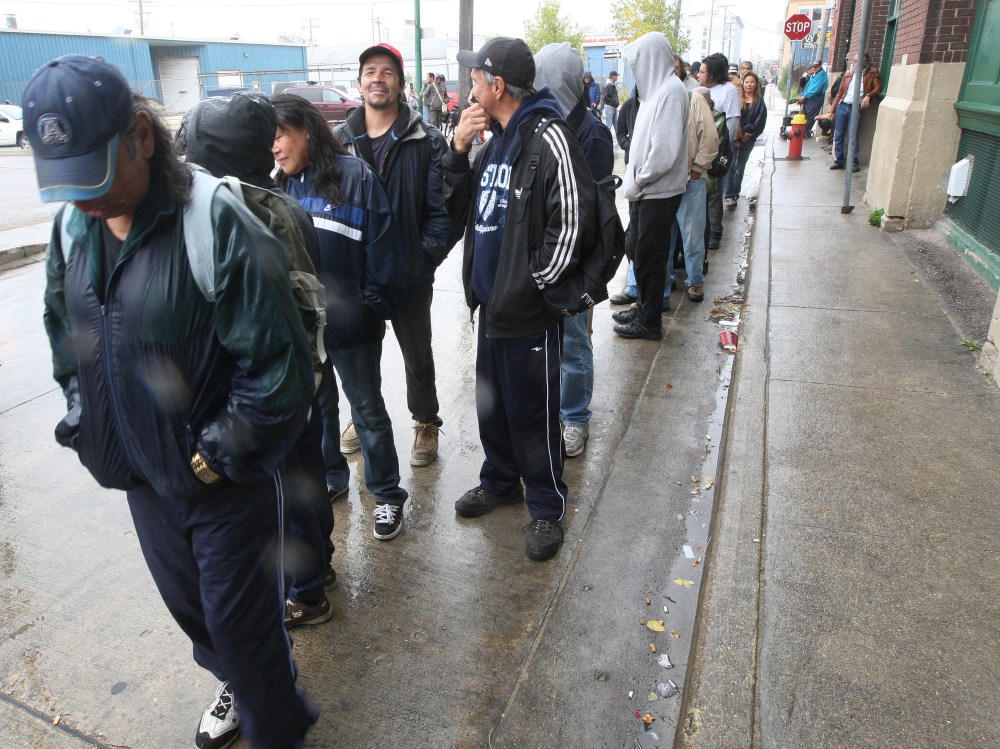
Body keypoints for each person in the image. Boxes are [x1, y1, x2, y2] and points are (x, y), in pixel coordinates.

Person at [29, 55, 316, 749]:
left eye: (94, 175)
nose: (84, 200)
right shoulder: (73, 232)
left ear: (141, 135)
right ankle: (248, 684)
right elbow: (67, 336)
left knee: (242, 627)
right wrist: (85, 422)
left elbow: (280, 366)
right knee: (196, 614)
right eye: (66, 183)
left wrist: (216, 456)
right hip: (140, 474)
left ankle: (277, 723)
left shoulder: (215, 223)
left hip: (222, 482)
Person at [176, 91, 339, 629]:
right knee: (304, 480)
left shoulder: (257, 213)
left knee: (289, 491)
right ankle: (319, 571)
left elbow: (291, 310)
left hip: (274, 388)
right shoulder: (267, 202)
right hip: (293, 383)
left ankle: (308, 592)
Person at [443, 37, 597, 560]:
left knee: (533, 413)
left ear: (498, 85)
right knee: (495, 406)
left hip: (527, 312)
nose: (470, 87)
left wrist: (535, 287)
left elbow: (572, 223)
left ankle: (546, 506)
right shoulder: (496, 140)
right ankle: (501, 479)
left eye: (476, 79)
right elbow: (463, 209)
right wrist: (459, 152)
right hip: (492, 307)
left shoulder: (548, 136)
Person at [271, 93, 411, 541]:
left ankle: (387, 495)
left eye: (279, 135)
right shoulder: (280, 187)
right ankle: (333, 477)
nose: (273, 147)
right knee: (319, 410)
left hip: (352, 328)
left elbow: (384, 248)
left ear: (305, 131)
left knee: (367, 411)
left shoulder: (355, 177)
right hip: (305, 332)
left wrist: (372, 305)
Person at [334, 43, 456, 467]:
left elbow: (443, 212)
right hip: (356, 276)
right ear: (360, 81)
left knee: (416, 354)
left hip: (409, 274)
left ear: (401, 85)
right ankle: (361, 417)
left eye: (387, 72)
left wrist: (422, 260)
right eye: (370, 71)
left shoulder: (426, 141)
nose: (378, 79)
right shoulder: (338, 142)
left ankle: (425, 421)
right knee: (357, 354)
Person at [534, 42, 614, 460]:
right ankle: (553, 411)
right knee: (547, 341)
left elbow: (595, 212)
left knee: (575, 340)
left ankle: (575, 417)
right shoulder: (537, 124)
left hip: (578, 260)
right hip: (544, 255)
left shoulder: (592, 133)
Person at [612, 31, 688, 341]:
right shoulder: (657, 91)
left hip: (656, 190)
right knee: (640, 253)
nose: (636, 70)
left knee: (651, 258)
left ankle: (650, 320)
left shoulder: (671, 92)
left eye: (639, 63)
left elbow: (664, 151)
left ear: (652, 60)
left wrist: (640, 178)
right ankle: (644, 307)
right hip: (646, 190)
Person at [664, 85, 718, 307]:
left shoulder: (694, 99)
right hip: (665, 183)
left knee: (692, 235)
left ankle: (695, 280)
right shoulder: (656, 97)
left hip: (691, 181)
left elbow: (710, 138)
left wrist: (697, 169)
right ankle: (666, 279)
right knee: (665, 238)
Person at [697, 53, 740, 242]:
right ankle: (703, 231)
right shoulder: (699, 90)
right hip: (700, 150)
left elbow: (732, 120)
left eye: (702, 71)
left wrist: (723, 148)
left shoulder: (728, 90)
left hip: (717, 150)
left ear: (713, 74)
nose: (699, 74)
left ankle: (715, 232)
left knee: (714, 192)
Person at [830, 53, 882, 172]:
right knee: (838, 135)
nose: (855, 63)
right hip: (843, 106)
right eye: (855, 61)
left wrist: (869, 95)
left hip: (855, 107)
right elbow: (839, 93)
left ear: (865, 62)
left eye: (858, 61)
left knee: (853, 135)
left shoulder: (872, 72)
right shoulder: (848, 74)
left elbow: (878, 87)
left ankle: (853, 162)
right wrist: (832, 110)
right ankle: (839, 160)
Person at [724, 71, 767, 207]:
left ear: (756, 84)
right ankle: (729, 194)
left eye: (752, 82)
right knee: (730, 165)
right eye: (747, 82)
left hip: (748, 138)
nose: (749, 85)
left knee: (740, 166)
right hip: (734, 136)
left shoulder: (759, 101)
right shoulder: (736, 98)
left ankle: (735, 191)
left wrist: (746, 135)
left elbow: (759, 122)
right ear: (743, 83)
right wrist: (737, 135)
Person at [797, 61, 829, 135]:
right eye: (813, 66)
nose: (814, 68)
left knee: (810, 117)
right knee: (804, 115)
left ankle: (805, 132)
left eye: (816, 66)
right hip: (809, 98)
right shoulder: (814, 75)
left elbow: (815, 89)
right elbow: (807, 87)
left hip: (816, 99)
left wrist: (804, 96)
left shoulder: (821, 75)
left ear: (820, 66)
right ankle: (802, 131)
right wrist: (802, 95)